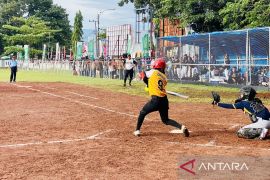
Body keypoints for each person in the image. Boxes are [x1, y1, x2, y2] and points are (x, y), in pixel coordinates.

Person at [134, 58, 189, 137]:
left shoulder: (153, 71)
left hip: (156, 100)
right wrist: (149, 84)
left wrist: (146, 83)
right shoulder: (165, 77)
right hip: (164, 100)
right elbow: (157, 84)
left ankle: (137, 130)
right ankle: (182, 127)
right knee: (166, 120)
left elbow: (143, 74)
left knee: (142, 112)